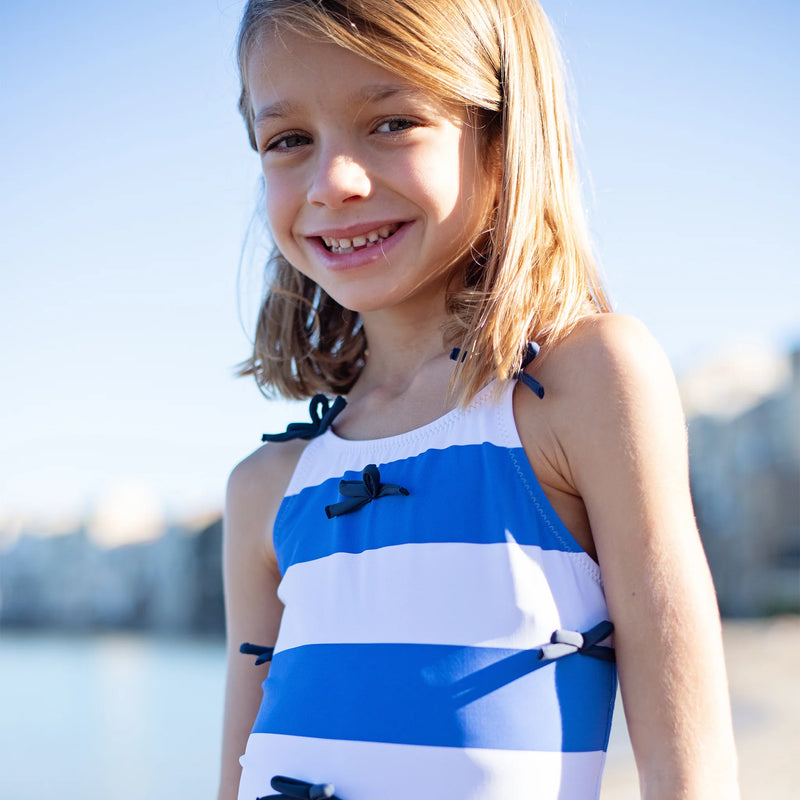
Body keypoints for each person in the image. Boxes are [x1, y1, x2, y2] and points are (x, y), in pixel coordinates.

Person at [219, 1, 739, 798]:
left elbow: (689, 773)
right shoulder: (268, 489)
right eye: (289, 139)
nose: (333, 183)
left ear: (503, 133)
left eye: (391, 122)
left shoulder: (583, 388)